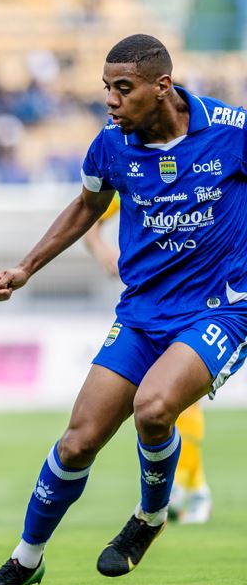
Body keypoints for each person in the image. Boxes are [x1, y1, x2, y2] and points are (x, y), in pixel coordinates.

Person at [0, 34, 247, 585]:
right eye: (107, 89)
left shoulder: (232, 131)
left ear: (162, 87)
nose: (112, 101)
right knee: (77, 442)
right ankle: (26, 560)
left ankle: (148, 519)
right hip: (143, 313)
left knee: (153, 407)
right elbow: (87, 207)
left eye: (123, 89)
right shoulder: (109, 147)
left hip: (220, 309)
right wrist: (26, 269)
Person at [84, 195, 212, 524]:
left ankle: (190, 488)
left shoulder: (206, 164)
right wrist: (103, 253)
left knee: (180, 402)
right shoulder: (132, 170)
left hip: (198, 305)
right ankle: (183, 488)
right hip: (146, 307)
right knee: (152, 406)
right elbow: (89, 219)